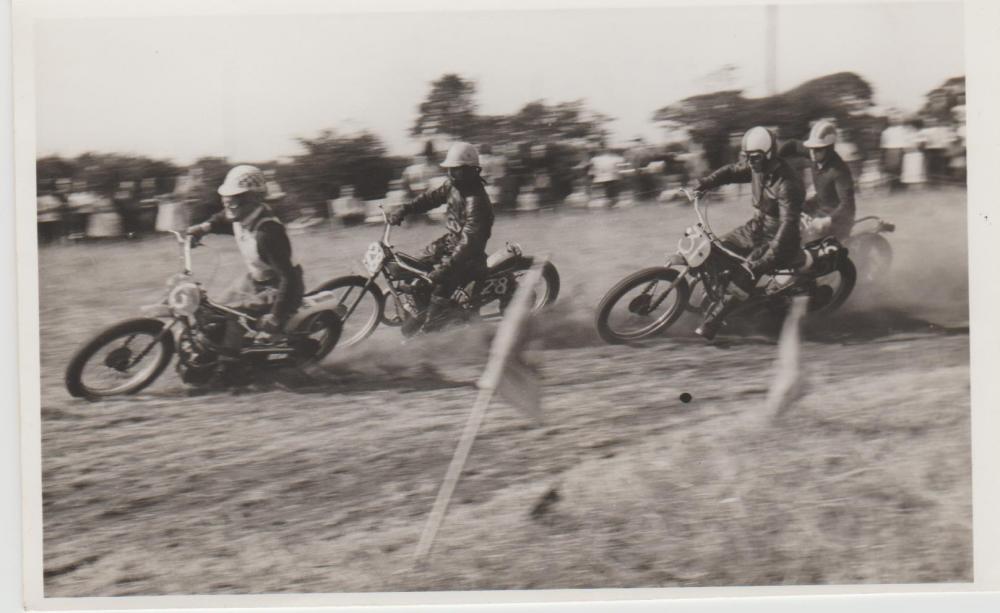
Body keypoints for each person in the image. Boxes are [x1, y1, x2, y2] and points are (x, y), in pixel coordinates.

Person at [691, 126, 806, 340]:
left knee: (748, 270)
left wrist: (766, 258)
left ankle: (715, 320)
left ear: (768, 154)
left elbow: (788, 226)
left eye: (754, 157)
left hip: (779, 239)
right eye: (747, 157)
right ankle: (717, 294)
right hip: (756, 228)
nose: (750, 162)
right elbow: (732, 171)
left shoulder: (788, 184)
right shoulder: (757, 167)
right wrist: (705, 183)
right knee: (717, 249)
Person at [186, 165, 305, 354]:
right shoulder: (239, 215)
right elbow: (221, 218)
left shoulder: (268, 232)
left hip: (279, 288)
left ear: (256, 198)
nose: (230, 204)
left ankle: (231, 364)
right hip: (255, 280)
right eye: (227, 199)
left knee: (234, 318)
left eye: (237, 199)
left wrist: (276, 316)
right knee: (216, 309)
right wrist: (202, 229)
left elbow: (287, 277)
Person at [387, 142, 495, 333]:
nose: (452, 174)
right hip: (449, 242)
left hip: (468, 257)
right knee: (411, 269)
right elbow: (429, 199)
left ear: (471, 170)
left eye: (457, 170)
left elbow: (469, 242)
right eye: (450, 169)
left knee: (438, 294)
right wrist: (405, 209)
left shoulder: (477, 201)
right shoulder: (452, 186)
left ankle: (439, 327)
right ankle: (418, 311)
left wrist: (446, 268)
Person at [779, 120, 856, 242]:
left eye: (818, 149)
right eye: (811, 149)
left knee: (809, 241)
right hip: (819, 206)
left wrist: (826, 220)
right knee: (788, 217)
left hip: (838, 219)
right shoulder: (815, 153)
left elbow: (847, 206)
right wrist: (775, 158)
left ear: (829, 149)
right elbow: (792, 145)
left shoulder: (839, 171)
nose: (813, 153)